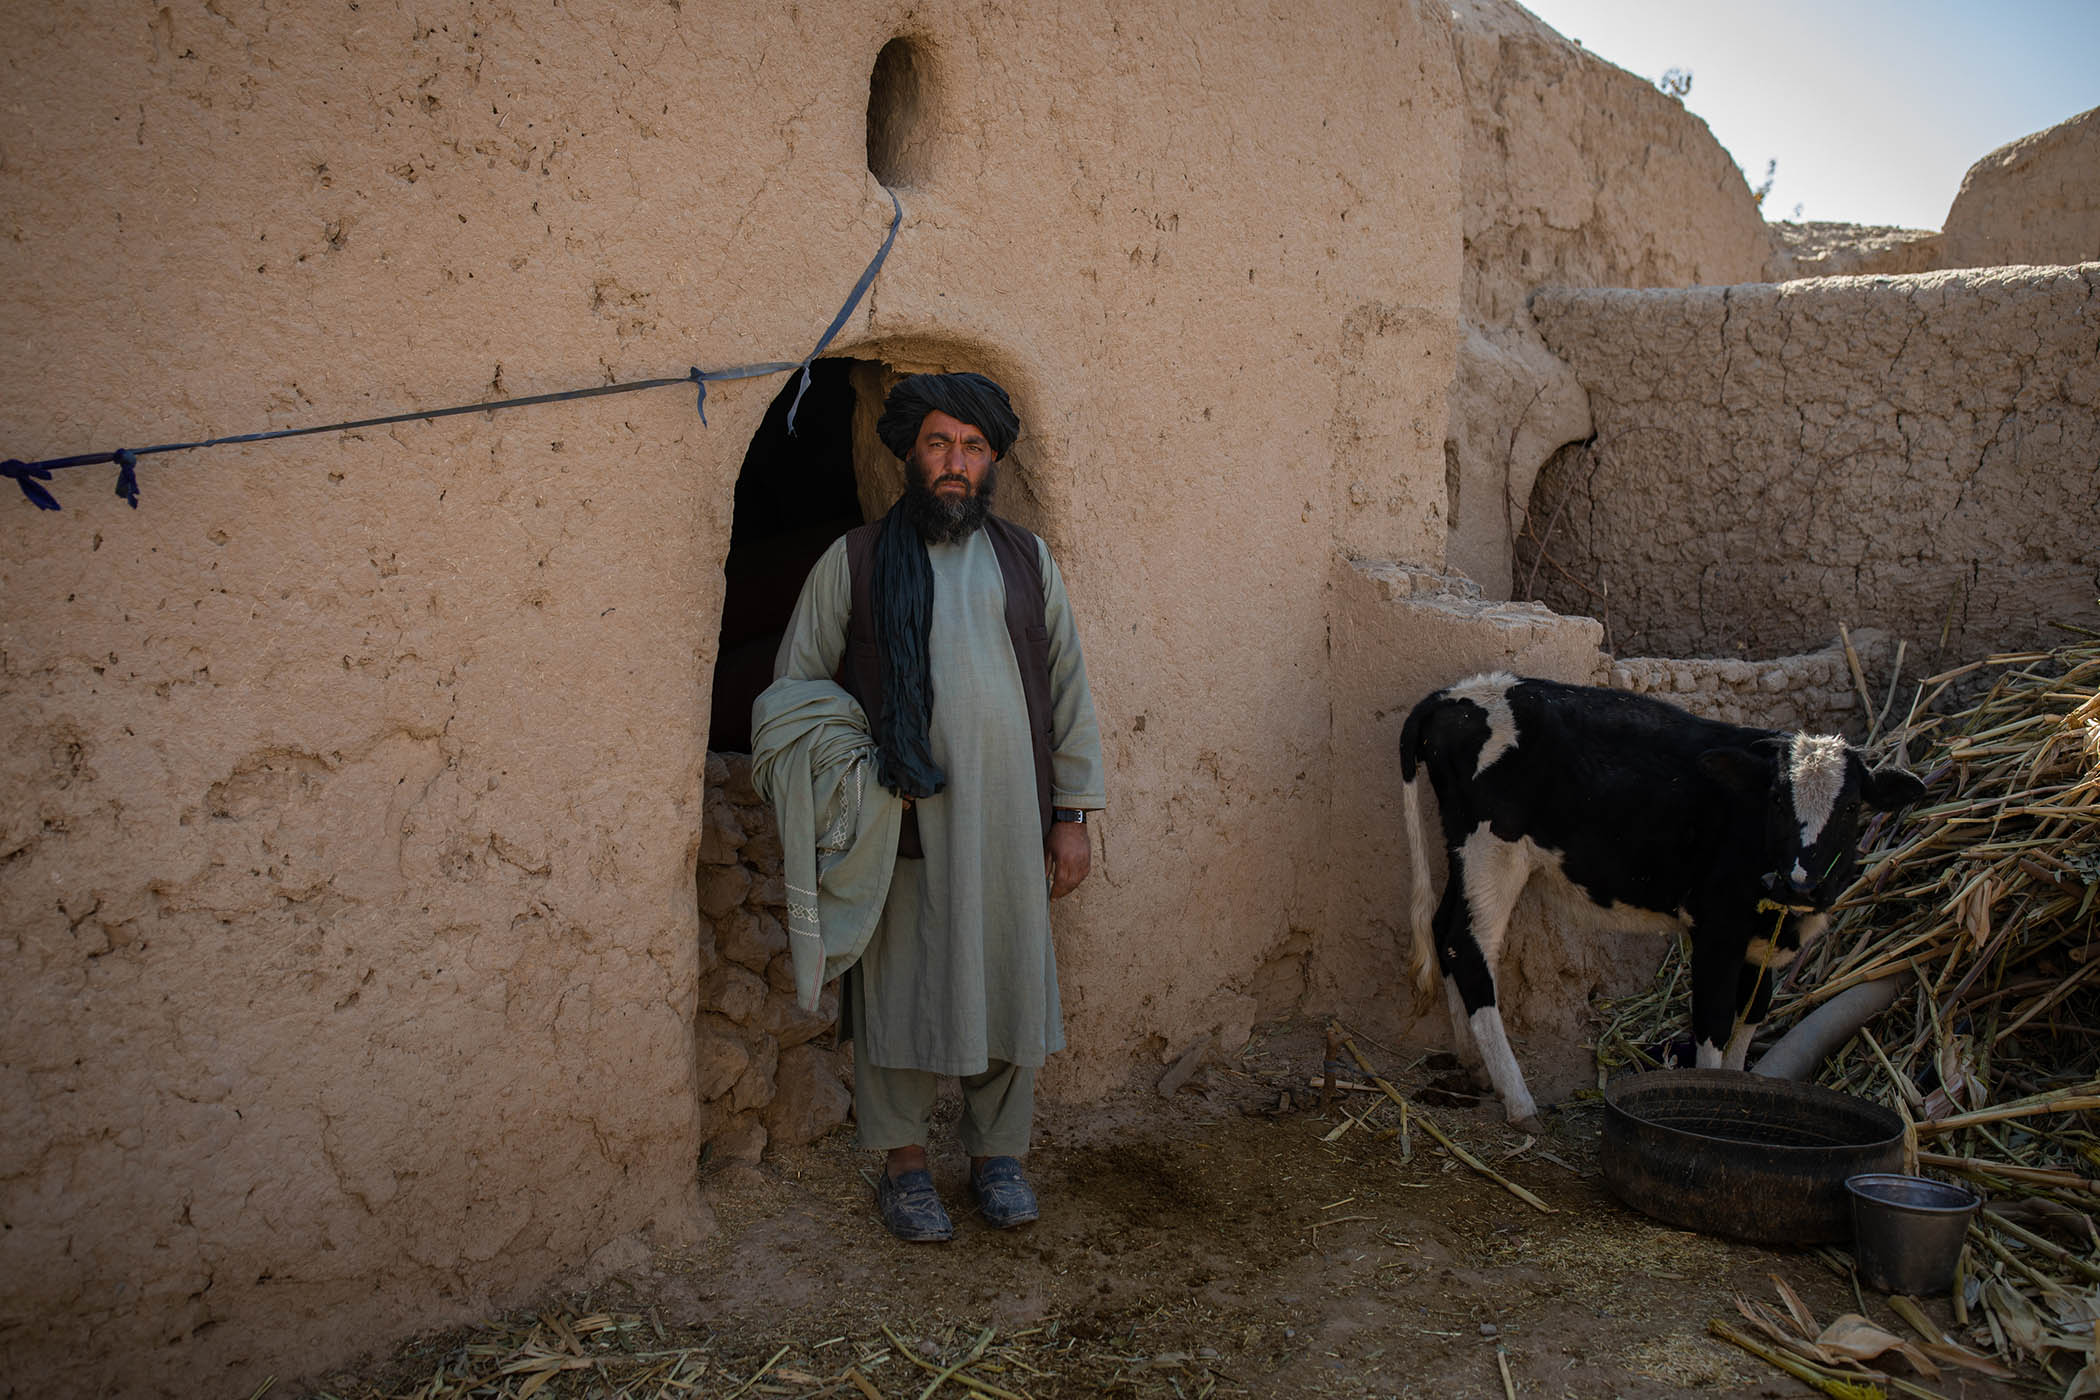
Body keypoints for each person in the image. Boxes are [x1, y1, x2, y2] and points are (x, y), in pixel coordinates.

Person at [753, 371, 1105, 1242]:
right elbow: (790, 695)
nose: (956, 462)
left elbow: (1069, 690)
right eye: (940, 443)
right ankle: (904, 1165)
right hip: (898, 823)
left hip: (1011, 820)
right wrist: (853, 767)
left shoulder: (1028, 560)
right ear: (911, 451)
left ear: (992, 462)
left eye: (973, 447)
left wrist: (1074, 815)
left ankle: (997, 1157)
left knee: (1009, 977)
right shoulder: (857, 561)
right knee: (900, 985)